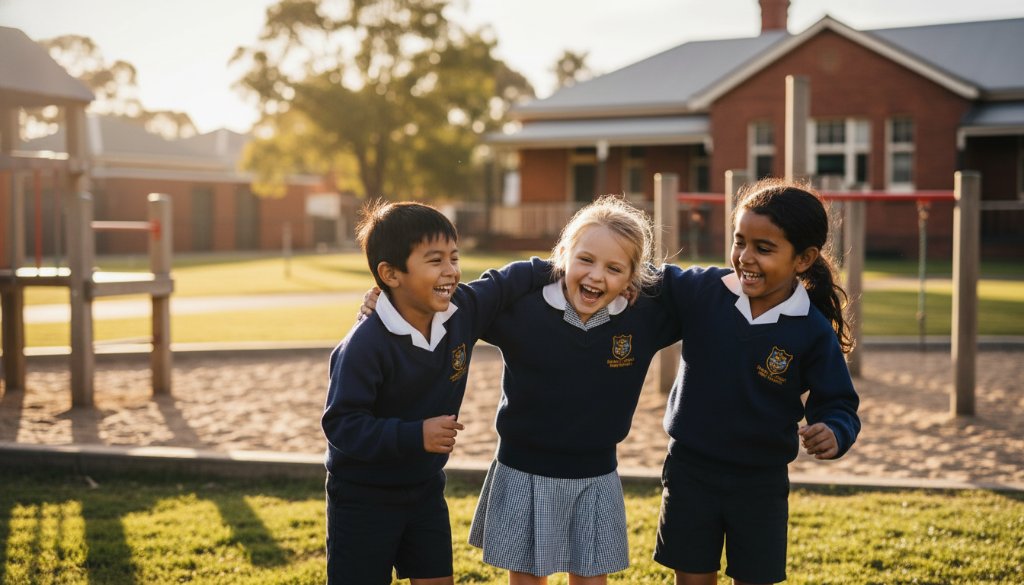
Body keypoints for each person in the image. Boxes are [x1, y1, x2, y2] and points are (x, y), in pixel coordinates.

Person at [360, 195, 683, 584]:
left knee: (592, 579)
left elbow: (697, 296)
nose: (596, 275)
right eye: (585, 260)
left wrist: (643, 274)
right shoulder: (522, 307)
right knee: (528, 579)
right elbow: (455, 300)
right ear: (562, 256)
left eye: (614, 268)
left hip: (596, 475)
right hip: (524, 470)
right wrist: (389, 300)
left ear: (632, 277)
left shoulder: (641, 315)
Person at [321, 200, 548, 585]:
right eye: (435, 260)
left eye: (454, 257)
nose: (451, 271)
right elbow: (342, 425)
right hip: (362, 498)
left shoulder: (462, 310)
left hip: (425, 490)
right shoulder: (364, 345)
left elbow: (511, 279)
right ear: (391, 274)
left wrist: (576, 265)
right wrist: (416, 434)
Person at [654, 178, 861, 585]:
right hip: (689, 471)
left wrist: (835, 430)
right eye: (739, 241)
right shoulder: (702, 291)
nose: (745, 257)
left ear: (803, 259)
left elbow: (839, 402)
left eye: (763, 249)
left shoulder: (812, 330)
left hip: (760, 481)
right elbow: (642, 279)